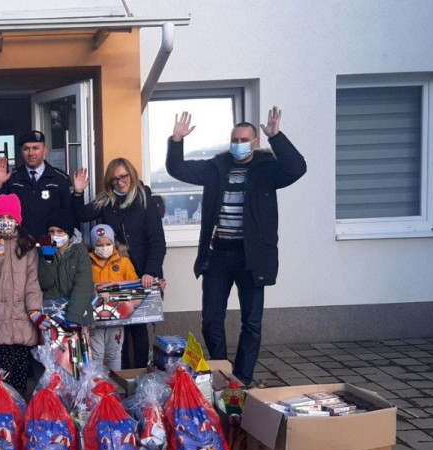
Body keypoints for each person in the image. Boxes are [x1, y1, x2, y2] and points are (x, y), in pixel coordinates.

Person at [165, 107, 306, 386]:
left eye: (244, 140)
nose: (238, 144)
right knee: (210, 320)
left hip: (252, 257)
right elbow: (178, 168)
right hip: (219, 254)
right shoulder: (216, 167)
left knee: (251, 322)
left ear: (255, 142)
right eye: (235, 139)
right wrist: (177, 141)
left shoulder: (267, 170)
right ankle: (220, 369)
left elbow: (297, 168)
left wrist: (276, 137)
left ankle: (241, 377)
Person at [71, 158, 166, 368]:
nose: (120, 182)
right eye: (115, 179)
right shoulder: (107, 201)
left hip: (141, 274)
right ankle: (121, 377)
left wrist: (151, 272)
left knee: (138, 327)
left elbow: (157, 241)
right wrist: (77, 193)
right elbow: (80, 215)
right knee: (117, 327)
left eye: (123, 176)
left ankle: (139, 374)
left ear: (131, 175)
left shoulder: (145, 201)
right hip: (114, 274)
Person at [0, 194, 42, 395]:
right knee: (3, 377)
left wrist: (35, 311)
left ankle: (20, 410)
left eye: (10, 217)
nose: (6, 222)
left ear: (17, 220)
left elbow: (32, 283)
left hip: (22, 318)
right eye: (1, 217)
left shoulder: (28, 246)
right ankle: (5, 412)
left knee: (21, 376)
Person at [0, 131, 73, 238]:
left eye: (35, 148)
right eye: (26, 149)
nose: (31, 153)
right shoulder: (12, 178)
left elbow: (69, 214)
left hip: (50, 243)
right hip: (20, 243)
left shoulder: (60, 178)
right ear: (21, 152)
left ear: (45, 150)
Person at [88, 224, 137, 371]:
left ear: (113, 243)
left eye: (108, 244)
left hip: (117, 316)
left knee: (114, 353)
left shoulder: (123, 262)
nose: (104, 247)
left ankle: (116, 387)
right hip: (94, 318)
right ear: (93, 245)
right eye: (99, 244)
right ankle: (97, 387)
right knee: (96, 354)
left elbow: (133, 284)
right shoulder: (86, 262)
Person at [37, 209, 94, 326]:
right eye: (51, 232)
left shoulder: (80, 251)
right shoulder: (41, 251)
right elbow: (44, 283)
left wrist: (73, 317)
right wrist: (47, 259)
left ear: (68, 233)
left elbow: (83, 286)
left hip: (77, 315)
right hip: (51, 315)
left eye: (60, 231)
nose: (55, 235)